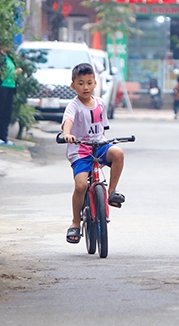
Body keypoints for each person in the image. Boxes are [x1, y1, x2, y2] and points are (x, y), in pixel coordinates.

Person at [62, 63, 126, 244]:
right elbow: (68, 120)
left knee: (118, 153)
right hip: (80, 151)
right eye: (80, 83)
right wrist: (67, 134)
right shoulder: (73, 106)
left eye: (89, 83)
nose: (85, 87)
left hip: (99, 147)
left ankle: (112, 191)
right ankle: (75, 222)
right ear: (73, 85)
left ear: (95, 84)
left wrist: (103, 144)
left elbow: (102, 130)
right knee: (81, 186)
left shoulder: (100, 104)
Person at [0, 45, 16, 145]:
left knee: (7, 113)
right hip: (1, 86)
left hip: (11, 86)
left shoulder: (10, 58)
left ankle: (4, 136)